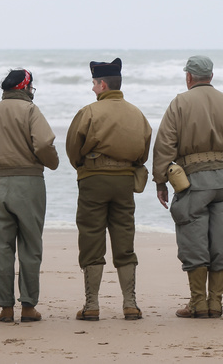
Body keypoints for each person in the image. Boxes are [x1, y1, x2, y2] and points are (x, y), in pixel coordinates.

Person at [152, 55, 223, 318]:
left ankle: (198, 303)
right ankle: (216, 302)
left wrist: (160, 180)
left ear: (189, 77)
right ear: (211, 76)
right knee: (221, 239)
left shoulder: (180, 102)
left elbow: (164, 145)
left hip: (195, 183)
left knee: (194, 240)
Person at [66, 58, 152, 321]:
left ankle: (92, 305)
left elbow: (73, 148)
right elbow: (144, 150)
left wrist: (85, 166)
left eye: (94, 83)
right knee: (124, 239)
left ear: (103, 84)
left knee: (92, 239)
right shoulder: (137, 113)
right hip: (125, 181)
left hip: (94, 179)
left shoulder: (89, 112)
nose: (93, 89)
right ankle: (130, 304)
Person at [0, 69, 59, 323]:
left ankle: (5, 308)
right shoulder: (30, 111)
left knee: (0, 248)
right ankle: (27, 307)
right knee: (30, 247)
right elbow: (44, 144)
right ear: (25, 87)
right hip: (28, 184)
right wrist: (52, 163)